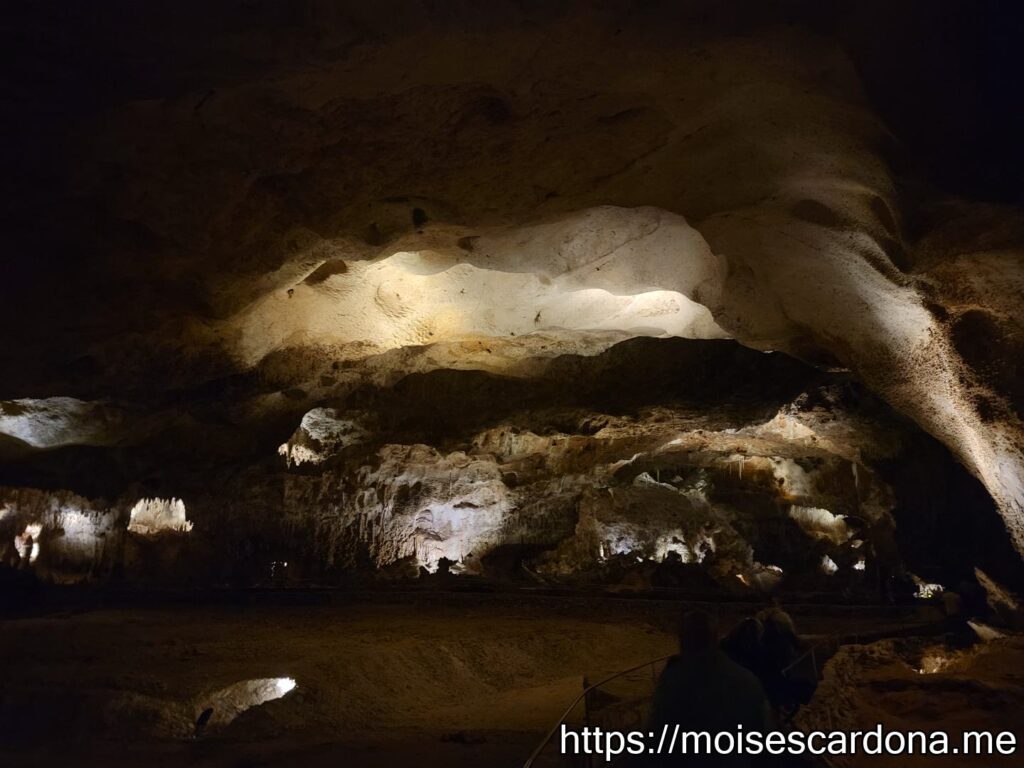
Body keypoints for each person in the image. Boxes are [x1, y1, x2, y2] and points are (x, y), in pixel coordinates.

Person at [647, 610, 771, 766]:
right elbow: (762, 737)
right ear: (715, 639)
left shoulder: (674, 680)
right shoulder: (747, 680)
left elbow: (658, 734)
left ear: (683, 641)